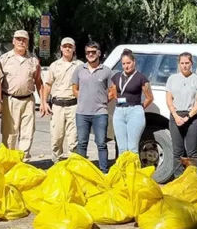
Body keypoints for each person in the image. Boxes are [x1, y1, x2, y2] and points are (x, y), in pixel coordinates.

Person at [0, 30, 42, 162]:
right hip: (9, 100)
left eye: (24, 40)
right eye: (18, 39)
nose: (21, 42)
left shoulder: (33, 60)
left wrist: (44, 102)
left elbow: (39, 81)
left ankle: (23, 161)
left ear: (28, 42)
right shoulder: (4, 59)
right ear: (13, 41)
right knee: (10, 133)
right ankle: (9, 162)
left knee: (27, 132)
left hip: (28, 100)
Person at [71, 41, 113, 172]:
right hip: (82, 113)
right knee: (82, 144)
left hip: (100, 113)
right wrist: (83, 99)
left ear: (99, 53)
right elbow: (74, 89)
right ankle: (81, 172)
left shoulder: (106, 71)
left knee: (101, 143)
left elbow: (113, 91)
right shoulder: (79, 70)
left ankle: (104, 171)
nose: (90, 54)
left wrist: (103, 101)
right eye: (88, 52)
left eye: (93, 52)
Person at [166, 52, 197, 178]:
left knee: (192, 152)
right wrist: (175, 116)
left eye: (187, 63)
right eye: (182, 63)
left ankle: (195, 179)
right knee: (177, 152)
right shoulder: (172, 78)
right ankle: (178, 179)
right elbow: (169, 99)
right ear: (179, 64)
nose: (184, 66)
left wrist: (188, 117)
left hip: (192, 117)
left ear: (192, 64)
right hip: (176, 116)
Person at [41, 37, 82, 162]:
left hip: (73, 105)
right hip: (57, 106)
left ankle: (72, 166)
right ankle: (56, 164)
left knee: (73, 140)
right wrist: (44, 102)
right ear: (61, 48)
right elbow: (47, 85)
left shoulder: (80, 65)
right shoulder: (54, 65)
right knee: (56, 138)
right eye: (65, 46)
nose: (67, 48)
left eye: (70, 46)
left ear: (74, 48)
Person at [109, 49, 153, 156]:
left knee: (132, 148)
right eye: (124, 64)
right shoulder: (116, 77)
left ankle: (133, 171)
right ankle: (123, 171)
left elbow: (149, 97)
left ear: (134, 62)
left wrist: (140, 108)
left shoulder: (141, 77)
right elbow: (113, 93)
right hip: (119, 112)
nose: (126, 66)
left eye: (128, 63)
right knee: (122, 148)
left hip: (134, 111)